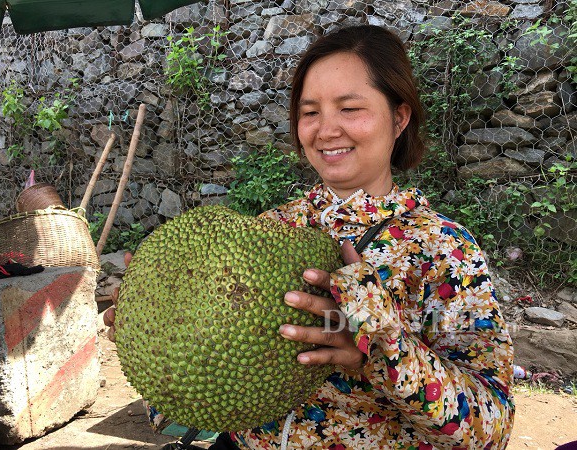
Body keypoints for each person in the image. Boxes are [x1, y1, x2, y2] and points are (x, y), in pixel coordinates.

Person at [105, 24, 515, 449]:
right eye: (310, 112)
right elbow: (206, 391)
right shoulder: (271, 228)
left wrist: (382, 350)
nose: (326, 130)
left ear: (399, 117)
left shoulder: (443, 250)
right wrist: (154, 325)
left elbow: (492, 428)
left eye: (349, 108)